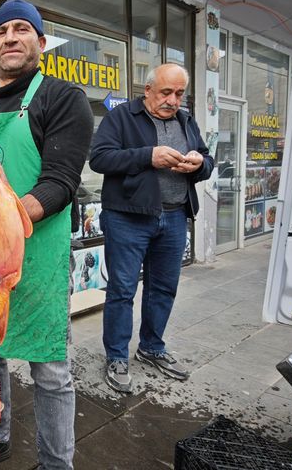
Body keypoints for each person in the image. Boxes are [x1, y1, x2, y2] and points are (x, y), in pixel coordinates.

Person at [0, 0, 93, 470]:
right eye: (2, 31)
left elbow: (60, 182)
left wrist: (3, 219)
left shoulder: (62, 97)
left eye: (22, 29)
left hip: (38, 256)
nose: (11, 37)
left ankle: (55, 462)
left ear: (41, 42)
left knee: (49, 368)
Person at [89, 63, 214, 394]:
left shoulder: (186, 121)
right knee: (122, 291)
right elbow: (99, 159)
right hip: (128, 217)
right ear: (147, 90)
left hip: (174, 218)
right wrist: (149, 156)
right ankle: (117, 356)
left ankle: (152, 347)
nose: (173, 100)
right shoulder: (122, 118)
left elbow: (207, 159)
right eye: (166, 92)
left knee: (163, 289)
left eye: (179, 93)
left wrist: (200, 164)